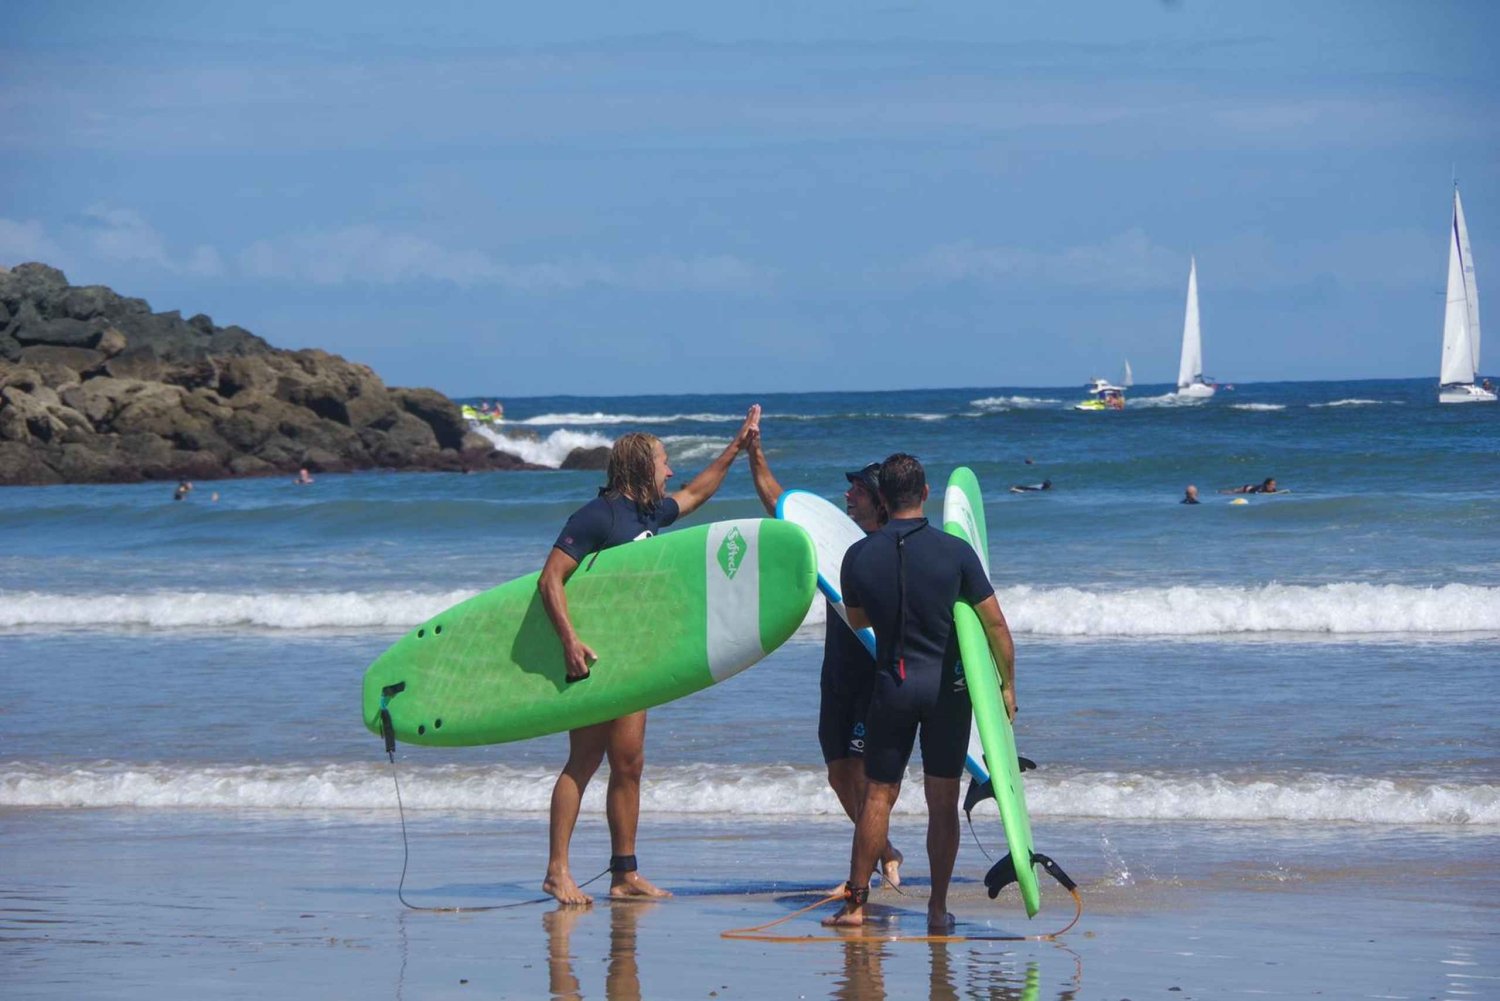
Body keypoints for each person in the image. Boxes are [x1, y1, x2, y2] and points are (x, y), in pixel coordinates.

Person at [539, 405, 761, 906]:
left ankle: (624, 874)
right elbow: (550, 578)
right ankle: (557, 871)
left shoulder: (646, 514)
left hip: (634, 659)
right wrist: (570, 641)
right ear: (642, 467)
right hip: (594, 659)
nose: (670, 470)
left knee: (630, 764)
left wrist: (737, 445)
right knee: (584, 761)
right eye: (663, 462)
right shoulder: (598, 516)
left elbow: (698, 492)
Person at [824, 453, 1016, 932]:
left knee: (877, 797)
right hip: (946, 691)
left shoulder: (857, 556)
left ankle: (855, 906)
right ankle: (936, 909)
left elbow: (859, 619)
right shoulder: (955, 552)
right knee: (942, 800)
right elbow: (995, 626)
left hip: (893, 685)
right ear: (926, 493)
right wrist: (1007, 686)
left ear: (883, 499)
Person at [746, 440, 903, 888]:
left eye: (857, 489)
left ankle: (862, 872)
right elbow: (781, 505)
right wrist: (755, 453)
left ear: (878, 499)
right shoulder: (841, 543)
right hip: (836, 672)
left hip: (875, 675)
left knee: (866, 774)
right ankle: (884, 850)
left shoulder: (893, 550)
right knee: (838, 773)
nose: (848, 495)